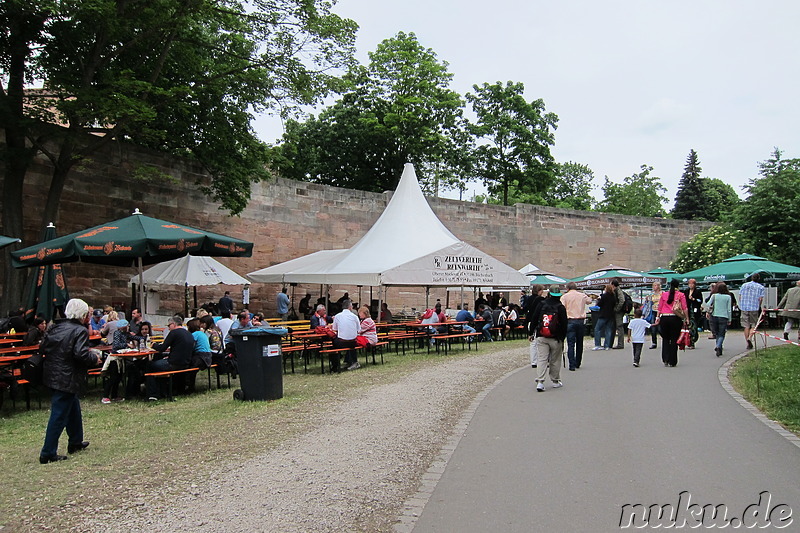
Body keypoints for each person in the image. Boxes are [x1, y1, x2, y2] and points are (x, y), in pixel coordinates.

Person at [39, 298, 100, 464]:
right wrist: (94, 358)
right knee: (59, 415)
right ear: (82, 314)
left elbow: (43, 347)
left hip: (52, 374)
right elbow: (80, 354)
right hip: (67, 377)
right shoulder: (79, 330)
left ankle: (75, 442)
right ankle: (47, 452)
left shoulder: (55, 327)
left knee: (73, 408)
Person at [529, 286, 568, 392]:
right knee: (555, 360)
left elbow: (534, 318)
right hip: (556, 338)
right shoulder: (560, 307)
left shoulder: (542, 304)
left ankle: (540, 381)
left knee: (542, 359)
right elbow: (565, 324)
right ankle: (555, 381)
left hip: (541, 335)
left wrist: (531, 332)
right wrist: (563, 337)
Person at [146, 315, 193, 400]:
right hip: (185, 363)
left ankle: (153, 394)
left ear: (173, 324)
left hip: (173, 363)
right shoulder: (188, 333)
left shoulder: (174, 333)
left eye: (169, 325)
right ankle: (163, 391)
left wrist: (153, 345)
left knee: (149, 366)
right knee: (159, 364)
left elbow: (162, 348)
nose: (168, 328)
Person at [655, 278, 688, 367]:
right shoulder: (681, 295)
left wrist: (657, 317)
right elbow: (685, 308)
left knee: (665, 339)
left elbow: (659, 307)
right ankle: (672, 361)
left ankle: (665, 358)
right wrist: (687, 318)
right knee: (674, 339)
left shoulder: (664, 295)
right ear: (678, 286)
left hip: (664, 318)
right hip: (675, 318)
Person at [561, 282, 592, 371]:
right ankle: (578, 362)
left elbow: (562, 307)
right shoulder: (582, 295)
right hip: (580, 320)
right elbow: (589, 301)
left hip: (570, 320)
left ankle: (572, 364)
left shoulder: (565, 297)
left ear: (567, 288)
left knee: (571, 344)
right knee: (580, 342)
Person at [739, 272, 765, 350]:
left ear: (751, 278)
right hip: (754, 307)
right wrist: (758, 305)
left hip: (744, 307)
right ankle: (750, 337)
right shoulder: (761, 287)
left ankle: (747, 342)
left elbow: (740, 296)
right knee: (754, 324)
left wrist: (741, 304)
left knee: (746, 325)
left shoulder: (744, 285)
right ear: (759, 279)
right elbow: (760, 299)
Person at [332, 299, 360, 372]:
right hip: (353, 342)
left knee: (333, 343)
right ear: (350, 307)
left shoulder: (337, 316)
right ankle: (353, 361)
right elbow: (359, 330)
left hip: (342, 342)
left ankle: (335, 364)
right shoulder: (355, 317)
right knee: (351, 342)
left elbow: (334, 329)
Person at [707, 282, 733, 356]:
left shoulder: (714, 296)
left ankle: (719, 347)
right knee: (722, 334)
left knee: (717, 333)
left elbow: (708, 304)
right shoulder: (728, 297)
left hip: (714, 316)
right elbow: (729, 310)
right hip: (724, 317)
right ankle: (718, 346)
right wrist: (730, 319)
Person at [524, 284, 546, 367]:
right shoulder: (541, 300)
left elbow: (525, 308)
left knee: (533, 342)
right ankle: (542, 360)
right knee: (541, 341)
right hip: (539, 321)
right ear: (539, 291)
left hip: (530, 320)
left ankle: (534, 361)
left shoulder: (529, 299)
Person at [592, 284, 616, 351]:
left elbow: (599, 304)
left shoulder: (604, 296)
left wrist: (599, 300)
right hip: (611, 315)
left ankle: (598, 344)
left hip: (603, 314)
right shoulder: (613, 296)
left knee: (597, 329)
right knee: (608, 330)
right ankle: (607, 345)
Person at [684, 278, 703, 349]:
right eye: (689, 284)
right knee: (689, 326)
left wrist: (694, 299)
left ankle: (693, 340)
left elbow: (700, 301)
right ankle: (689, 341)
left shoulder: (698, 291)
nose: (691, 285)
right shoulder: (686, 291)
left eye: (692, 284)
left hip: (695, 310)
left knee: (694, 326)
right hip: (688, 310)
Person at [611, 278, 626, 349]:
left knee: (619, 326)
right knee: (618, 327)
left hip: (619, 312)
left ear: (613, 285)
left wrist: (617, 309)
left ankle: (620, 344)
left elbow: (622, 300)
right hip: (619, 311)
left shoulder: (618, 291)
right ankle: (618, 343)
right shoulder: (617, 291)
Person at [647, 281, 663, 349]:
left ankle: (666, 339)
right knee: (653, 327)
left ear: (659, 286)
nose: (654, 287)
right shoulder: (652, 295)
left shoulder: (662, 293)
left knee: (660, 328)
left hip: (661, 312)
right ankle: (654, 343)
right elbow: (649, 303)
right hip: (654, 311)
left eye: (655, 285)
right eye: (653, 286)